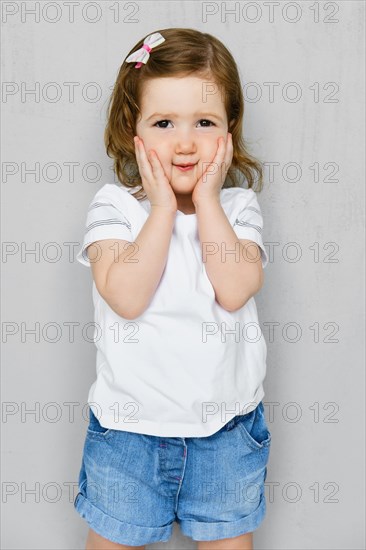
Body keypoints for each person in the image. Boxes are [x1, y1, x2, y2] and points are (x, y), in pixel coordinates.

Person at [73, 28, 272, 550]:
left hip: (226, 435)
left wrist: (206, 202)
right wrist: (162, 209)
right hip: (127, 435)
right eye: (163, 123)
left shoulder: (236, 210)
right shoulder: (115, 209)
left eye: (204, 123)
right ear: (132, 131)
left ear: (229, 132)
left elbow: (235, 288)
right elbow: (127, 296)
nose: (184, 143)